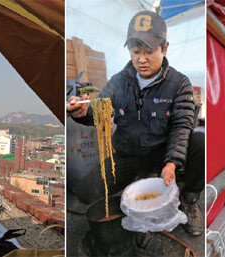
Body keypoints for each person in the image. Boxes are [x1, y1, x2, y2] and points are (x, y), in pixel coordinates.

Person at [67, 10, 205, 236]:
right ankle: (135, 184)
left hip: (162, 155)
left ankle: (189, 199)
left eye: (149, 51)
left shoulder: (179, 83)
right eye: (136, 51)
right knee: (84, 190)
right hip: (128, 156)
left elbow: (181, 127)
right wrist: (82, 111)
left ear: (165, 48)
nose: (142, 59)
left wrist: (171, 163)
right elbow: (100, 111)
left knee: (199, 141)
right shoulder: (119, 81)